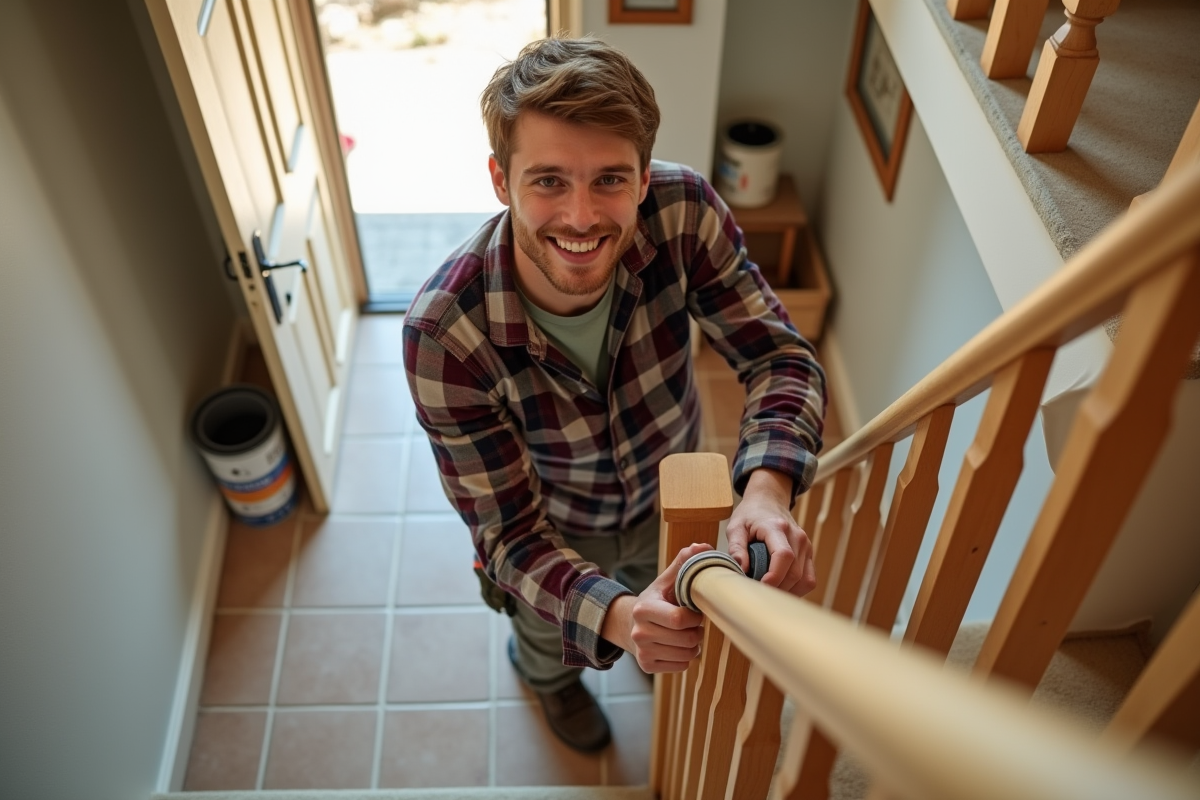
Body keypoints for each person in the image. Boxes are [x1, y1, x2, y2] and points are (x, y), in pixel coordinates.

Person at [402, 37, 826, 753]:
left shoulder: (684, 209)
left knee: (672, 620)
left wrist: (766, 490)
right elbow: (510, 537)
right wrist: (621, 618)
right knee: (546, 641)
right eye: (547, 181)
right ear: (500, 181)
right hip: (557, 525)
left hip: (679, 490)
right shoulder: (444, 335)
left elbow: (778, 354)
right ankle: (549, 682)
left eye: (608, 180)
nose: (580, 216)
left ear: (642, 175)